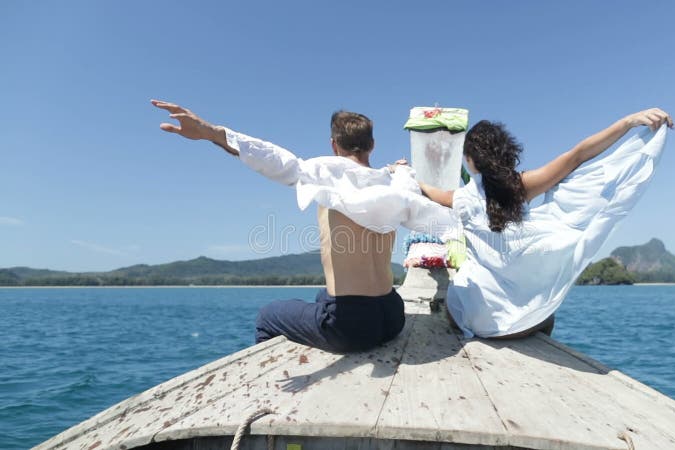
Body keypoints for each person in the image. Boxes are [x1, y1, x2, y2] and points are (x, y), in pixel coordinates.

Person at [151, 99, 452, 352]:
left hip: (352, 329)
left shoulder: (323, 174)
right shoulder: (396, 184)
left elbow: (269, 157)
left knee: (267, 316)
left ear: (334, 145)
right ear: (372, 145)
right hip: (392, 315)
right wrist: (398, 169)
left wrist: (209, 132)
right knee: (323, 296)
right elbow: (405, 178)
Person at [419, 108, 674, 339]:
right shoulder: (522, 186)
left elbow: (428, 192)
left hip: (475, 316)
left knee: (454, 297)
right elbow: (577, 155)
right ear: (506, 152)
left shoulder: (461, 198)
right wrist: (629, 122)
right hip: (515, 325)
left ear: (471, 160)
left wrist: (405, 174)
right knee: (545, 316)